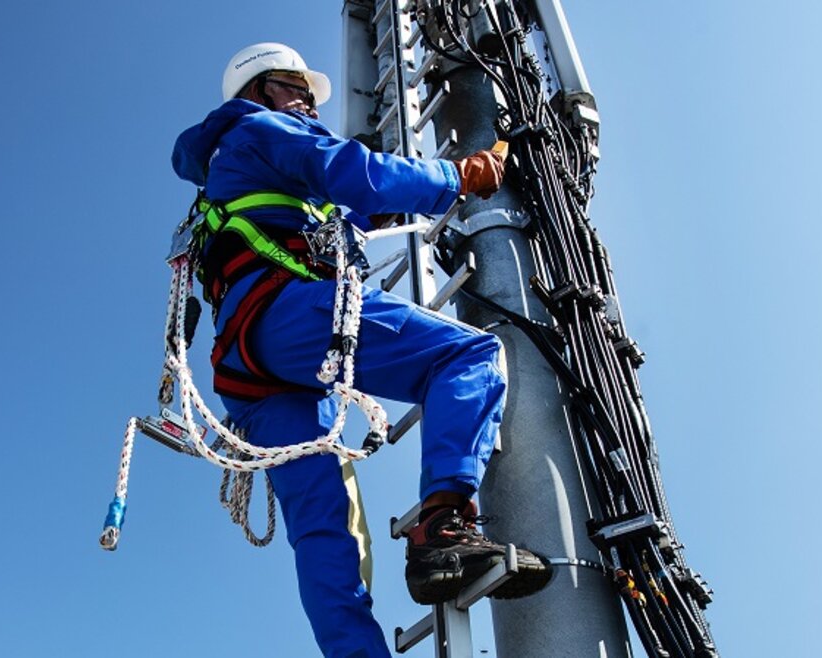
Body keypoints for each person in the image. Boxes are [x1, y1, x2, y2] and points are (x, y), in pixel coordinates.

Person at [171, 42, 551, 658]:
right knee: (467, 358)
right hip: (290, 313)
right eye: (294, 87)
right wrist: (462, 176)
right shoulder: (262, 129)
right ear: (258, 90)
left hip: (247, 363)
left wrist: (424, 195)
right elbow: (358, 174)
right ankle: (444, 527)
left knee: (325, 534)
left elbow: (352, 211)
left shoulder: (232, 168)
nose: (308, 103)